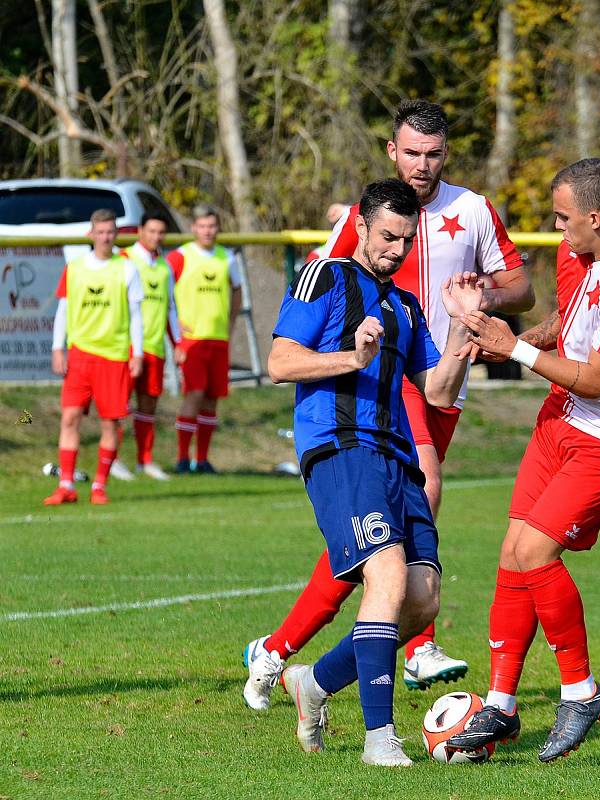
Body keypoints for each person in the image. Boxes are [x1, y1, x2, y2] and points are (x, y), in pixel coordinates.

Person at [242, 99, 535, 709]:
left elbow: (523, 289)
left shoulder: (473, 209)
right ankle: (419, 646)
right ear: (391, 152)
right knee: (417, 498)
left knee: (374, 545)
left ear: (444, 154)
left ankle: (280, 654)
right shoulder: (366, 216)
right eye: (411, 153)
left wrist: (476, 299)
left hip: (441, 365)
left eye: (432, 154)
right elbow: (325, 277)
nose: (421, 166)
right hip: (387, 376)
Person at [445, 158, 600, 762]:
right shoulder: (578, 255)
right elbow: (566, 326)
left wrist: (513, 348)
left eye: (564, 217)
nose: (556, 227)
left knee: (536, 552)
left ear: (596, 218)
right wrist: (504, 338)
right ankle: (500, 706)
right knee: (512, 553)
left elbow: (598, 378)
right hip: (559, 421)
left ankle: (581, 690)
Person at [268, 178, 481, 766]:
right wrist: (351, 358)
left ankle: (312, 684)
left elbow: (437, 392)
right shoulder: (325, 277)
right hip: (340, 447)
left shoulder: (407, 307)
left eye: (406, 240)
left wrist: (464, 327)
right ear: (360, 226)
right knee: (385, 575)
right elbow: (279, 362)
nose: (396, 249)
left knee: (421, 599)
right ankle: (379, 741)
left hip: (396, 456)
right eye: (387, 236)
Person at [44, 209, 144, 506]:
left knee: (110, 425)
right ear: (91, 234)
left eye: (110, 232)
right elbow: (63, 309)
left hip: (113, 357)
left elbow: (136, 314)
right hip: (80, 356)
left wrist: (136, 353)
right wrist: (57, 347)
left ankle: (99, 485)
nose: (105, 237)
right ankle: (66, 486)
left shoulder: (127, 269)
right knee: (70, 417)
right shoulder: (75, 268)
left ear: (116, 235)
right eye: (100, 232)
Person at [168, 204, 242, 473]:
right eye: (202, 226)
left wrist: (231, 323)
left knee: (212, 399)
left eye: (212, 226)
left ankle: (202, 459)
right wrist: (176, 328)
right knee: (194, 394)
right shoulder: (180, 257)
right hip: (192, 341)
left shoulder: (227, 258)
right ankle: (181, 458)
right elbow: (166, 294)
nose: (207, 231)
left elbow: (236, 291)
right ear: (193, 227)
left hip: (218, 339)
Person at [114, 213, 185, 480]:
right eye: (151, 231)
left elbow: (170, 308)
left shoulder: (164, 267)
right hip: (127, 347)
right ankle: (113, 459)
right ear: (140, 231)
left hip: (154, 346)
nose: (156, 237)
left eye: (160, 232)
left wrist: (177, 342)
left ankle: (145, 460)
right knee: (120, 405)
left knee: (148, 405)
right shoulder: (125, 260)